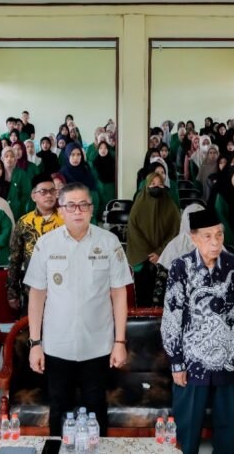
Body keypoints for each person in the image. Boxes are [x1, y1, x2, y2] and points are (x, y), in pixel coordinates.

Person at [23, 182, 132, 437]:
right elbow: (37, 296)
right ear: (60, 210)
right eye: (71, 205)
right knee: (59, 410)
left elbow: (119, 294)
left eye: (83, 205)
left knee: (96, 410)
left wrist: (120, 341)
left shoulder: (109, 242)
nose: (77, 211)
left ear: (92, 209)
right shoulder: (46, 244)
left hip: (98, 346)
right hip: (57, 346)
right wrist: (35, 343)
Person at [161, 208, 234, 454]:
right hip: (192, 360)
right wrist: (176, 362)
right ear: (193, 238)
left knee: (228, 429)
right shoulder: (181, 267)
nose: (215, 242)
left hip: (228, 359)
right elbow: (172, 317)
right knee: (187, 429)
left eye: (219, 234)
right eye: (208, 236)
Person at [6, 173, 65, 313]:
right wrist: (12, 291)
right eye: (43, 192)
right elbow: (15, 259)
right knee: (32, 325)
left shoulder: (66, 219)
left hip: (63, 290)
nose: (49, 195)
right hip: (31, 291)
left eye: (52, 191)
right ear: (34, 196)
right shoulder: (24, 222)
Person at [127, 173, 181, 307]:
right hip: (142, 259)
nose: (156, 187)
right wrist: (149, 255)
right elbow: (134, 232)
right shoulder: (138, 206)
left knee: (162, 301)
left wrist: (160, 252)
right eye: (153, 184)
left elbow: (175, 233)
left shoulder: (170, 206)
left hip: (165, 259)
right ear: (146, 186)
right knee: (143, 300)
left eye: (160, 184)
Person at [91, 140, 116, 213]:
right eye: (101, 148)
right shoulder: (95, 162)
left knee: (110, 205)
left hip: (110, 187)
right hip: (99, 187)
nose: (103, 150)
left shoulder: (112, 161)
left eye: (105, 148)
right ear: (98, 150)